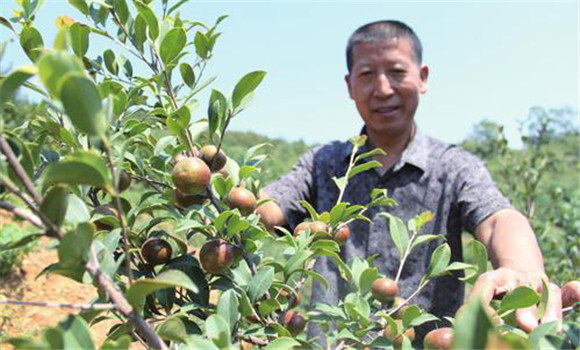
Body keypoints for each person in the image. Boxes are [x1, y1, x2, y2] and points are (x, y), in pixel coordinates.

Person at [257, 20, 562, 345]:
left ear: (423, 77)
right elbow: (268, 208)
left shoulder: (454, 167)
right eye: (367, 74)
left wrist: (520, 268)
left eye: (397, 72)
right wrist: (217, 199)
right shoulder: (324, 162)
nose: (383, 88)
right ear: (349, 86)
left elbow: (499, 219)